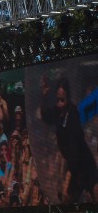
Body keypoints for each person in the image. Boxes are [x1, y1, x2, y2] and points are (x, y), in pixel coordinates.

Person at [41, 75, 98, 203]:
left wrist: (67, 180)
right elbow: (46, 116)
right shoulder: (57, 111)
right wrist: (44, 97)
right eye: (57, 100)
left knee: (93, 193)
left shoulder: (73, 114)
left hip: (84, 164)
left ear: (68, 98)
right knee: (67, 200)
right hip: (74, 166)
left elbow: (74, 152)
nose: (60, 104)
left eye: (62, 100)